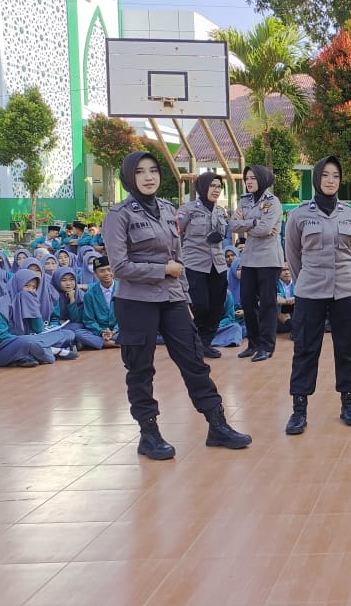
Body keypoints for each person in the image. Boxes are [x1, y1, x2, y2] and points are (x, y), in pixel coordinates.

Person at [103, 151, 250, 460]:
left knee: (194, 360)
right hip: (136, 302)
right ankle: (149, 433)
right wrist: (161, 271)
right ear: (130, 177)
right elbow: (119, 266)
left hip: (172, 300)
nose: (148, 176)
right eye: (141, 172)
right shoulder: (119, 214)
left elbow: (179, 258)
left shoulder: (169, 210)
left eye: (153, 170)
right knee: (140, 369)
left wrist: (183, 296)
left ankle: (217, 424)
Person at [284, 155, 351, 433]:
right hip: (310, 291)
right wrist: (306, 281)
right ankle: (299, 410)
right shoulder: (298, 215)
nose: (331, 181)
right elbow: (293, 255)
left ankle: (348, 403)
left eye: (336, 176)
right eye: (325, 175)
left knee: (347, 348)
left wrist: (339, 273)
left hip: (346, 289)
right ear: (316, 179)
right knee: (305, 349)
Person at [230, 165, 284, 362]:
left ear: (262, 179)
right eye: (247, 178)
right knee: (247, 300)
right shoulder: (244, 201)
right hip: (250, 259)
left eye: (253, 178)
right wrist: (254, 223)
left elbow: (266, 228)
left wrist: (249, 224)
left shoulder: (273, 202)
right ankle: (253, 344)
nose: (249, 181)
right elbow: (233, 224)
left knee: (268, 303)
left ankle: (266, 346)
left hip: (269, 259)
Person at [177, 173, 231, 358]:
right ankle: (194, 342)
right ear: (202, 187)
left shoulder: (220, 210)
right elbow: (176, 234)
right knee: (200, 306)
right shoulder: (188, 210)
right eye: (212, 185)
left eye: (219, 186)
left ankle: (205, 343)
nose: (216, 190)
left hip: (218, 265)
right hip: (195, 264)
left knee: (217, 306)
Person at [82, 256, 119, 347]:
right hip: (100, 331)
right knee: (79, 334)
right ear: (95, 274)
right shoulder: (89, 294)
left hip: (120, 330)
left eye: (109, 269)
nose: (107, 273)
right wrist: (101, 332)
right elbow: (88, 320)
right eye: (102, 271)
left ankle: (103, 343)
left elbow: (128, 315)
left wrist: (115, 330)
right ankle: (115, 343)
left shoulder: (123, 289)